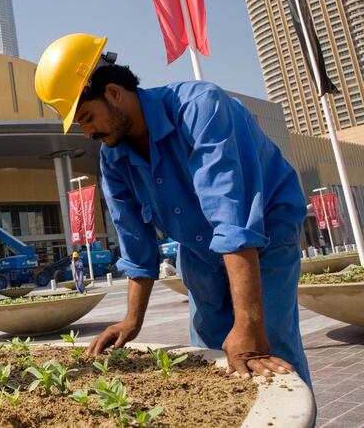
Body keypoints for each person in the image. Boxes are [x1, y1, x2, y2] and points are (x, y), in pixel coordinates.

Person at [35, 33, 311, 385]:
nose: (87, 132)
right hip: (197, 249)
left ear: (115, 93)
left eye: (87, 117)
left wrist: (249, 324)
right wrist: (131, 321)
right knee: (213, 354)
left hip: (264, 236)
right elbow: (137, 244)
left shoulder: (201, 108)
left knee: (265, 348)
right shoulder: (113, 159)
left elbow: (233, 219)